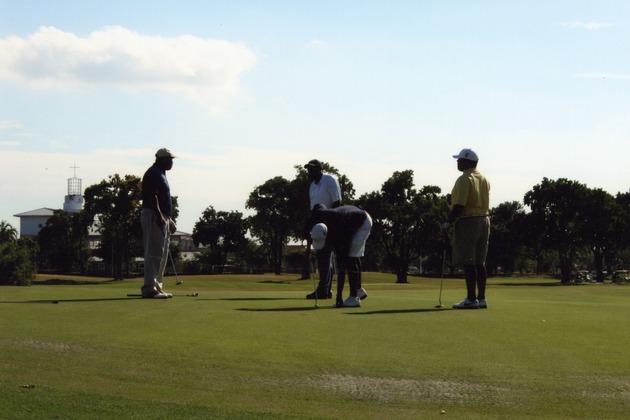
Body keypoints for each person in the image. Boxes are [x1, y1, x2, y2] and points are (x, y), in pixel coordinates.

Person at [446, 148, 491, 309]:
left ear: (467, 162)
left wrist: (448, 222)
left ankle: (471, 299)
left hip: (468, 221)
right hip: (485, 220)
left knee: (469, 262)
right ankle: (482, 298)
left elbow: (459, 204)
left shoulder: (464, 179)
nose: (457, 162)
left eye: (460, 160)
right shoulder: (484, 178)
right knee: (480, 262)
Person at [307, 204, 372, 307]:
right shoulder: (320, 217)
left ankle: (353, 298)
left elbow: (341, 267)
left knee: (350, 258)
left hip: (362, 222)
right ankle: (358, 290)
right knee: (353, 256)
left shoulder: (339, 232)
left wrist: (339, 296)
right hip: (354, 217)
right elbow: (318, 206)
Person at [140, 148, 177, 299]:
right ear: (161, 160)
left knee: (162, 253)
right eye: (169, 159)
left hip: (163, 216)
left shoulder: (162, 174)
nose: (172, 162)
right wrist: (160, 215)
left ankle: (157, 286)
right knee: (154, 252)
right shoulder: (153, 173)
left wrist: (169, 219)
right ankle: (149, 288)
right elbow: (152, 196)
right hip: (153, 215)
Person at [304, 159, 342, 300]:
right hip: (317, 225)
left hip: (330, 223)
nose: (310, 171)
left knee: (325, 258)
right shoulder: (312, 186)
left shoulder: (330, 180)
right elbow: (312, 210)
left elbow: (337, 203)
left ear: (320, 169)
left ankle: (323, 290)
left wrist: (334, 225)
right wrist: (309, 227)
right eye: (308, 169)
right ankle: (327, 290)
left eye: (312, 169)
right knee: (325, 259)